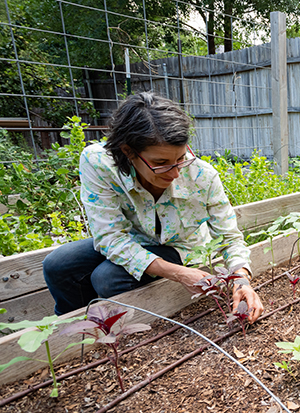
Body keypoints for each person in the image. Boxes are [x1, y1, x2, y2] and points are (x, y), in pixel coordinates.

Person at [43, 93, 264, 323]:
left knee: (108, 278)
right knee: (59, 265)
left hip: (178, 245)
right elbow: (109, 236)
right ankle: (78, 332)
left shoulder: (201, 175)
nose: (176, 172)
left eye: (181, 158)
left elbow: (229, 237)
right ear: (128, 151)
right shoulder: (98, 163)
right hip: (132, 238)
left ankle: (118, 323)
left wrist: (241, 280)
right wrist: (179, 275)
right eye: (161, 163)